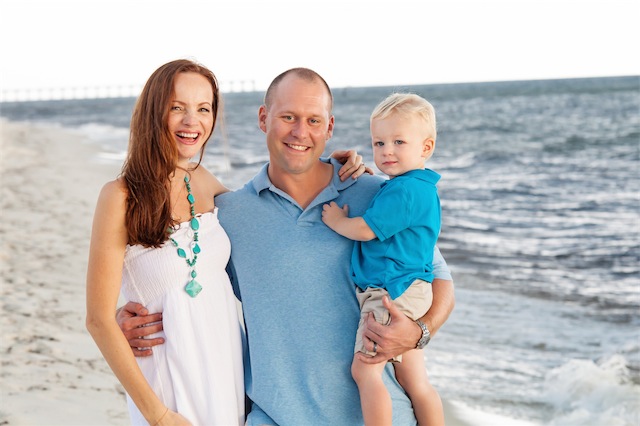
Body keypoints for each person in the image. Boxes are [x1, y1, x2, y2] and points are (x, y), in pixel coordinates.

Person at [117, 68, 455, 425]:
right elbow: (189, 285)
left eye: (313, 120)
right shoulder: (230, 215)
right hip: (274, 417)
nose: (300, 132)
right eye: (288, 117)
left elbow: (438, 277)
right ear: (264, 118)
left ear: (330, 127)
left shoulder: (374, 197)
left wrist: (421, 332)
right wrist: (129, 315)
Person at [85, 59, 245, 425]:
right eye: (177, 108)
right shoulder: (120, 197)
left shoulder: (204, 180)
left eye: (203, 109)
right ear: (154, 113)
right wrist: (158, 416)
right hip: (168, 381)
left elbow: (276, 217)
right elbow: (97, 320)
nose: (193, 122)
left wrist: (340, 171)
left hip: (227, 366)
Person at [322, 92, 445, 426]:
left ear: (426, 147)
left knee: (365, 369)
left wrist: (337, 221)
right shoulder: (417, 186)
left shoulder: (404, 191)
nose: (386, 151)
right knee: (414, 380)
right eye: (379, 142)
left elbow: (366, 230)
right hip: (412, 288)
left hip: (394, 290)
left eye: (399, 141)